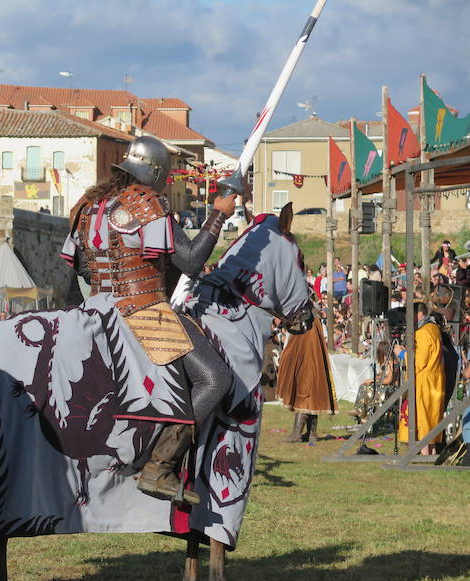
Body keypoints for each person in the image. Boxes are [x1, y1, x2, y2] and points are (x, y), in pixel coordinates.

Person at [61, 134, 235, 501]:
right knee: (215, 378)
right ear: (156, 173)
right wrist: (218, 214)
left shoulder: (90, 204)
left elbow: (81, 267)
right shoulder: (147, 202)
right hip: (143, 313)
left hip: (94, 310)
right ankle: (160, 467)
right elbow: (189, 260)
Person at [277, 305, 338, 443]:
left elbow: (297, 340)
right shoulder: (310, 316)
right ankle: (312, 433)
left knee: (304, 392)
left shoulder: (305, 317)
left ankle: (297, 434)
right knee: (312, 392)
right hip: (311, 356)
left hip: (308, 357)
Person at [395, 302, 445, 455]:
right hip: (434, 379)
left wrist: (402, 354)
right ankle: (432, 451)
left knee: (423, 419)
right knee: (431, 418)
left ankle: (425, 454)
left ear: (419, 314)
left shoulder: (423, 332)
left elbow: (418, 361)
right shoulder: (434, 328)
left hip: (424, 381)